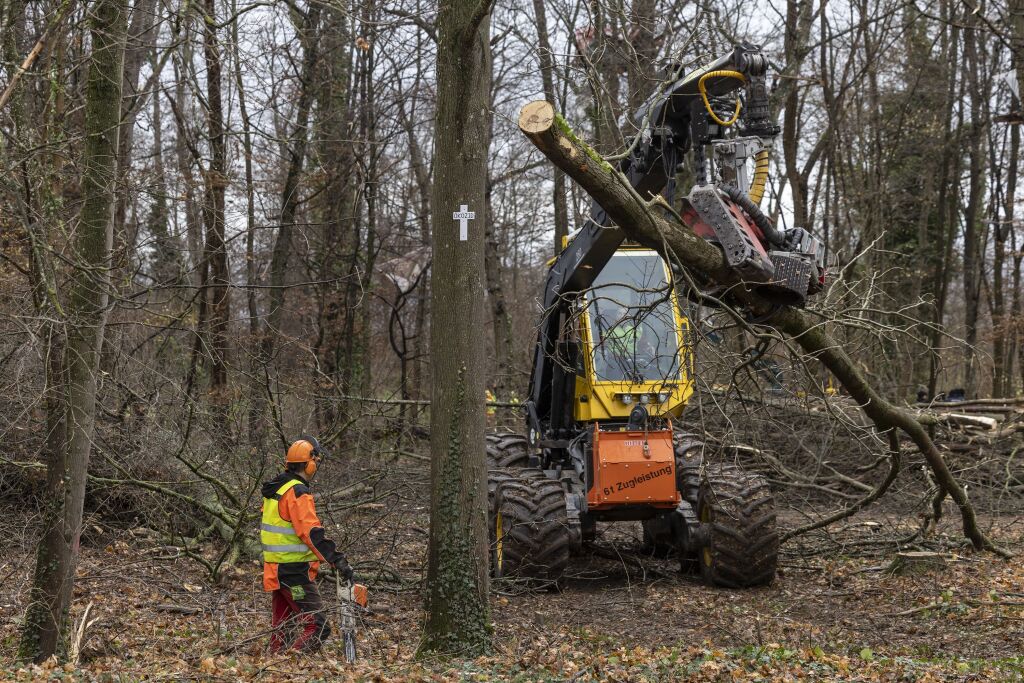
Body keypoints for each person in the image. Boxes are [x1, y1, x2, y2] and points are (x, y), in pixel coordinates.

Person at [261, 436, 353, 653]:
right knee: (318, 626)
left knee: (284, 626)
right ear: (309, 463)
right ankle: (292, 665)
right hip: (293, 571)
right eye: (316, 462)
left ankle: (275, 667)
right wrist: (336, 559)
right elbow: (311, 532)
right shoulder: (297, 492)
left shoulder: (278, 489)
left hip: (277, 568)